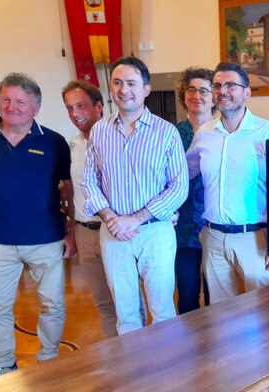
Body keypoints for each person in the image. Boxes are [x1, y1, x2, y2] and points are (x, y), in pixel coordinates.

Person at [0, 73, 75, 380]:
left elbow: (70, 188)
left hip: (46, 239)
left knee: (52, 306)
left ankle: (50, 360)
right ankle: (4, 365)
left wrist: (72, 231)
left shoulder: (54, 142)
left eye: (21, 101)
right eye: (6, 99)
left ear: (36, 107)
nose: (12, 107)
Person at [82, 56, 188, 334]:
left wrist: (135, 219)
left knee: (162, 310)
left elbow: (179, 186)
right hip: (113, 232)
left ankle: (167, 373)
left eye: (131, 83)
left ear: (146, 90)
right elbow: (89, 180)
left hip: (155, 232)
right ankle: (135, 374)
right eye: (117, 83)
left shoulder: (167, 133)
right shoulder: (100, 130)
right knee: (126, 313)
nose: (123, 89)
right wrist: (111, 218)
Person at [186, 62, 269, 304]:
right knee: (221, 317)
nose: (222, 91)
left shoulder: (268, 133)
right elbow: (182, 175)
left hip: (255, 239)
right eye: (217, 86)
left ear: (247, 93)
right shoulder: (204, 133)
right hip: (213, 238)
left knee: (263, 315)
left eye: (231, 85)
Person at [62, 80, 147, 337]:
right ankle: (118, 357)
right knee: (103, 303)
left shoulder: (119, 135)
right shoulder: (73, 144)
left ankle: (140, 357)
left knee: (129, 303)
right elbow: (72, 188)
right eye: (69, 107)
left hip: (115, 231)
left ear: (99, 106)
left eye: (81, 106)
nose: (75, 113)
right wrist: (70, 230)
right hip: (84, 232)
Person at [173, 68, 215, 314]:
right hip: (183, 225)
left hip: (214, 225)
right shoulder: (172, 133)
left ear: (213, 97)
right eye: (191, 90)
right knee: (188, 292)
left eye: (203, 90)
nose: (196, 95)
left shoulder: (222, 133)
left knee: (215, 294)